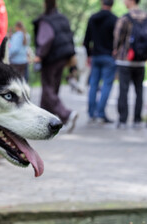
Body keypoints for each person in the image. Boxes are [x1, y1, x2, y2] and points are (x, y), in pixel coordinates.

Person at [33, 0, 78, 133]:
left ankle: (66, 114)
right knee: (53, 88)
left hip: (51, 57)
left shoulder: (46, 20)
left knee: (47, 87)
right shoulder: (62, 18)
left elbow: (46, 38)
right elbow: (70, 37)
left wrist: (39, 54)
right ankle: (44, 119)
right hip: (64, 56)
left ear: (45, 4)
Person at [113, 0, 147, 129]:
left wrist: (115, 49)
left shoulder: (125, 18)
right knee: (139, 91)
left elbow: (117, 37)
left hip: (125, 59)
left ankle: (122, 120)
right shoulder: (146, 17)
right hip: (140, 61)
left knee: (123, 90)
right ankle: (137, 120)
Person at [83, 0, 117, 124]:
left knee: (93, 84)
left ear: (102, 3)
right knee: (106, 85)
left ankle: (91, 113)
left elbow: (86, 40)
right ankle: (101, 113)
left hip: (95, 56)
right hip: (108, 57)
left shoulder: (93, 18)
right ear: (112, 5)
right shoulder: (114, 19)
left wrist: (88, 55)